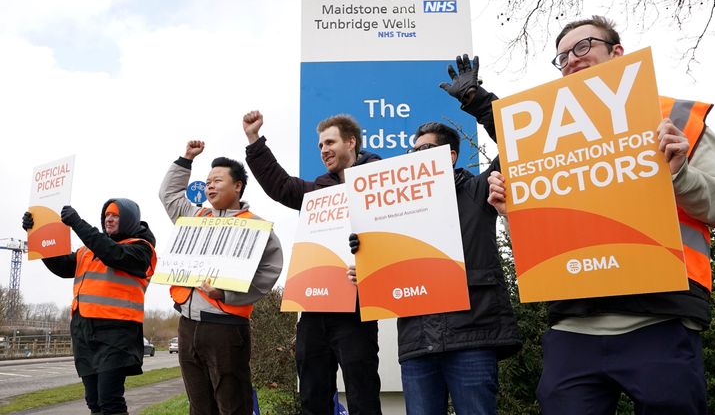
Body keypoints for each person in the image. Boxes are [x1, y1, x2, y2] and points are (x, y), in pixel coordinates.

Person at [479, 16, 715, 414]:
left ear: (617, 52)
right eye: (562, 56)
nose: (571, 59)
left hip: (661, 318)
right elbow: (548, 239)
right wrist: (511, 214)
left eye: (583, 46)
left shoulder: (672, 118)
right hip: (572, 325)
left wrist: (681, 175)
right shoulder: (544, 140)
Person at [348, 119, 521, 415]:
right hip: (418, 342)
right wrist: (367, 251)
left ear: (450, 156)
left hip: (472, 337)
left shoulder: (476, 191)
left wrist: (476, 100)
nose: (415, 155)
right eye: (411, 150)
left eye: (424, 148)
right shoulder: (396, 210)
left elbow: (515, 142)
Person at [242, 110, 382, 415]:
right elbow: (279, 186)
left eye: (329, 142)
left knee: (363, 395)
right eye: (319, 145)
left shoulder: (382, 183)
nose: (323, 150)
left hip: (355, 311)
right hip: (314, 310)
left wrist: (373, 255)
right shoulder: (315, 192)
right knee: (313, 396)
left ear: (351, 142)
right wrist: (254, 140)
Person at [158, 143, 283, 415]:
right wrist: (186, 159)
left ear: (237, 186)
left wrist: (227, 295)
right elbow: (167, 194)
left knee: (232, 404)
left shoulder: (255, 226)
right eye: (207, 182)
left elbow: (269, 272)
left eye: (217, 181)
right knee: (199, 406)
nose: (209, 186)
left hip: (226, 328)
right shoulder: (196, 216)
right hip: (187, 325)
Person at [22, 199, 157, 415]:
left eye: (115, 215)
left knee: (110, 400)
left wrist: (77, 223)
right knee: (94, 401)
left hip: (116, 334)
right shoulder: (88, 250)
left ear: (129, 219)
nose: (109, 219)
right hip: (84, 332)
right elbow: (62, 265)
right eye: (106, 216)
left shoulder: (141, 249)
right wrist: (37, 234)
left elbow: (112, 254)